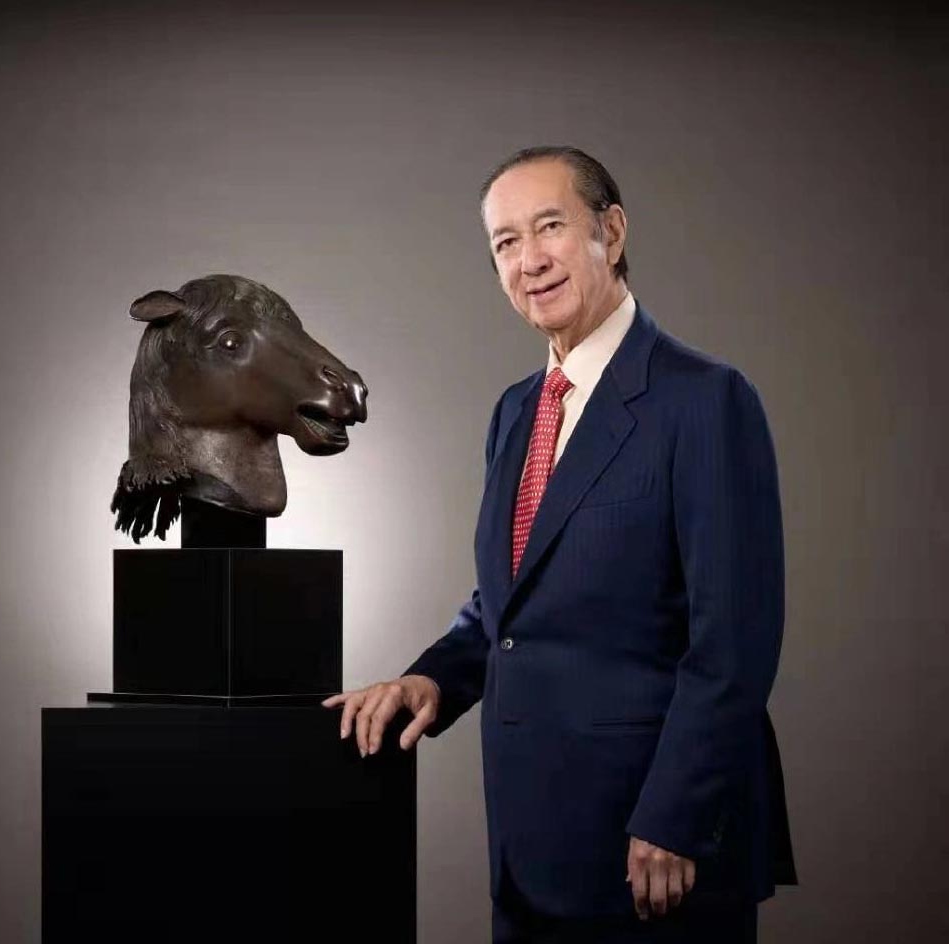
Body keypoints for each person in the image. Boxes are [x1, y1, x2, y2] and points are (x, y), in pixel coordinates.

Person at [322, 145, 796, 942]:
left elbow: (734, 641)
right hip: (529, 847)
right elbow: (510, 604)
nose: (529, 260)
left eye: (550, 227)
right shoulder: (516, 410)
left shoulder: (705, 399)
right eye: (506, 242)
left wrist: (675, 816)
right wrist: (430, 680)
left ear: (611, 231)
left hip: (655, 849)